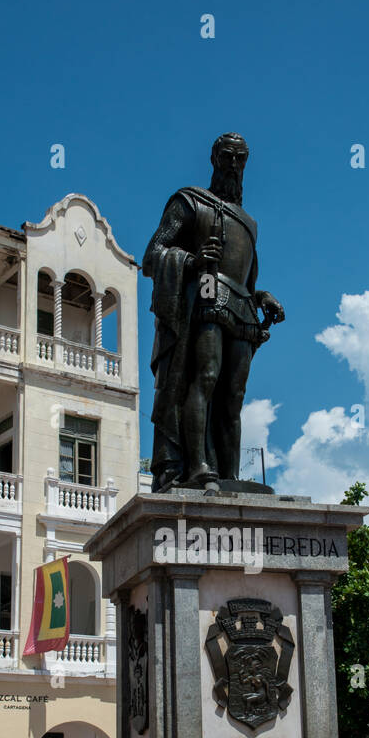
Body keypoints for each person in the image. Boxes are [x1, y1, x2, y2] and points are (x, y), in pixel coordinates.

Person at [144, 133, 285, 491]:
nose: (233, 165)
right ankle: (198, 467)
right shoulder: (190, 201)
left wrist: (264, 296)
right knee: (206, 376)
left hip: (241, 306)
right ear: (213, 158)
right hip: (206, 292)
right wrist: (191, 261)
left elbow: (249, 281)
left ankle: (229, 475)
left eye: (240, 159)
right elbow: (153, 255)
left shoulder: (249, 224)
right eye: (227, 157)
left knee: (233, 395)